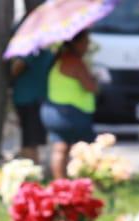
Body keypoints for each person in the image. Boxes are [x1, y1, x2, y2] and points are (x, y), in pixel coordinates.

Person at [39, 31, 95, 180]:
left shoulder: (58, 59)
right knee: (87, 151)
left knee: (60, 148)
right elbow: (90, 86)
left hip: (52, 111)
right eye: (86, 42)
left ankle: (60, 184)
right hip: (70, 113)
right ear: (77, 43)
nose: (88, 46)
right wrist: (95, 79)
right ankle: (85, 184)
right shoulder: (74, 61)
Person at [7, 0, 50, 163]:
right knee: (31, 139)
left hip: (31, 96)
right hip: (32, 96)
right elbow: (23, 62)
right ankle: (32, 170)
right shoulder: (33, 32)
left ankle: (31, 170)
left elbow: (22, 64)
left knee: (30, 139)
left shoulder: (35, 36)